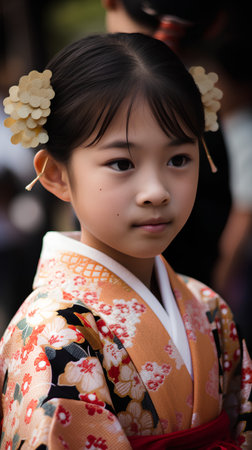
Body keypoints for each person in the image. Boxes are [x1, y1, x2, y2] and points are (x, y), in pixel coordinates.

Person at [0, 32, 251, 449]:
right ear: (57, 174)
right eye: (121, 162)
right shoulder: (54, 336)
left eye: (178, 159)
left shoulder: (208, 308)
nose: (156, 190)